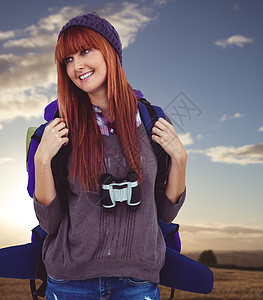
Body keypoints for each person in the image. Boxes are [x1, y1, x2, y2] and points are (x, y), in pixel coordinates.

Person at [33, 12, 187, 300]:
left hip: (137, 282)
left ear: (110, 52)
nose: (77, 66)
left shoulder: (152, 121)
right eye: (67, 59)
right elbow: (50, 222)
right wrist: (42, 160)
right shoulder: (61, 128)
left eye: (84, 51)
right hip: (70, 281)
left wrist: (180, 159)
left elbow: (165, 213)